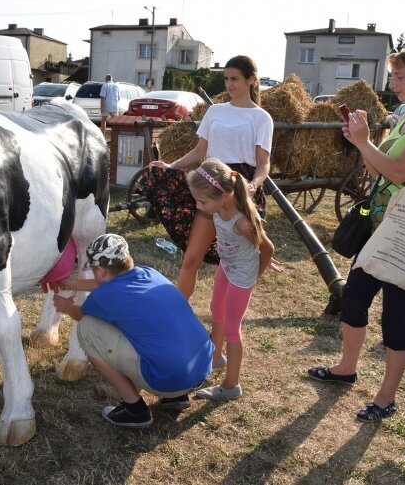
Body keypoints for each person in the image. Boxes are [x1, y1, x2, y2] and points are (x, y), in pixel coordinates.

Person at [307, 47, 405, 422]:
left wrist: (363, 142)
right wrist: (362, 143)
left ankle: (387, 397)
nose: (393, 84)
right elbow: (380, 172)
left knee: (398, 317)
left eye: (400, 76)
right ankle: (347, 368)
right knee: (354, 297)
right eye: (392, 76)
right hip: (384, 225)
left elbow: (401, 169)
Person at [53, 233, 214, 428]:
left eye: (94, 270)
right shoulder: (149, 273)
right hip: (199, 371)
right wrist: (72, 283)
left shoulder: (105, 295)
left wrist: (65, 306)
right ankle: (177, 397)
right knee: (160, 329)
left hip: (166, 380)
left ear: (102, 270)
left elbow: (79, 314)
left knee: (87, 328)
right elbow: (106, 283)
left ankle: (135, 410)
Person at [145, 55, 273, 300]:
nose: (229, 84)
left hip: (237, 189)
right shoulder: (215, 111)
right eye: (226, 79)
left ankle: (224, 322)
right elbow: (199, 152)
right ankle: (178, 312)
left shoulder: (261, 118)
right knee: (191, 258)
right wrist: (170, 166)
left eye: (234, 78)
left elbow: (263, 162)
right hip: (208, 182)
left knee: (232, 262)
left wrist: (254, 185)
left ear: (251, 80)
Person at [186, 158, 274, 401]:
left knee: (233, 328)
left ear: (224, 195)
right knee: (216, 310)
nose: (198, 206)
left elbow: (267, 248)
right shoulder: (217, 208)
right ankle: (216, 357)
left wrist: (255, 276)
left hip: (241, 277)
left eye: (202, 201)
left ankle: (231, 385)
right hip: (227, 266)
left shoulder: (242, 222)